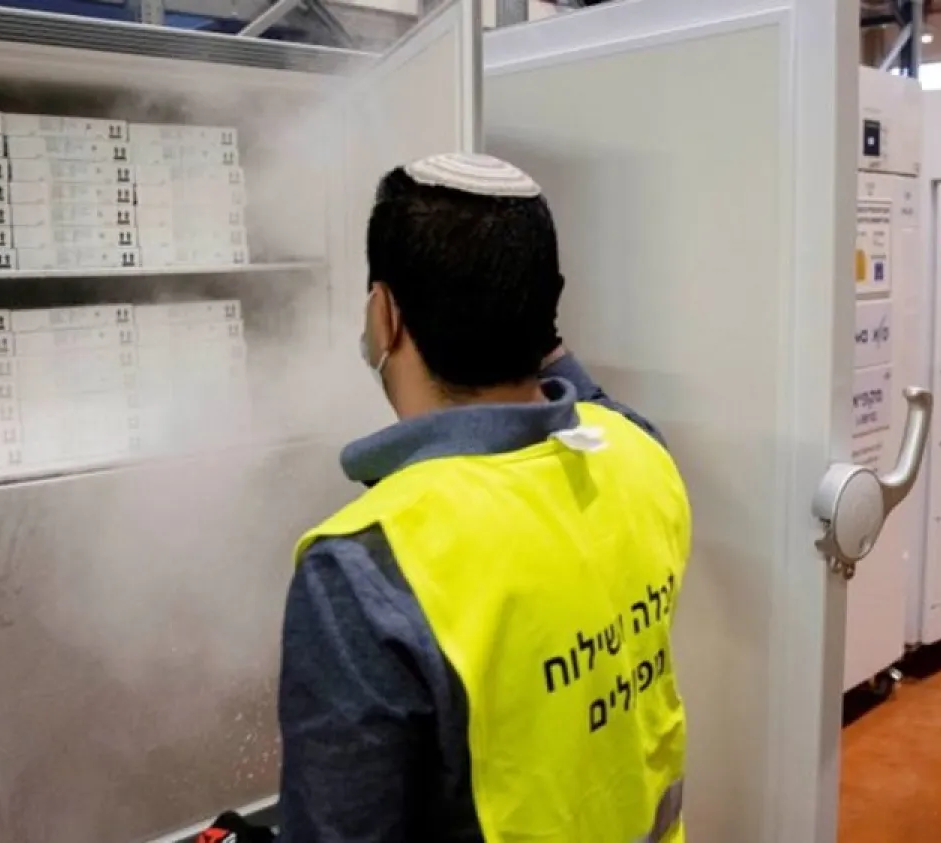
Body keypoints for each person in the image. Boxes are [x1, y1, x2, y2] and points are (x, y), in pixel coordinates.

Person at [276, 153, 691, 842]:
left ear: (384, 315)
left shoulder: (363, 571)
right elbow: (590, 399)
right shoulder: (638, 454)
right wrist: (523, 306)